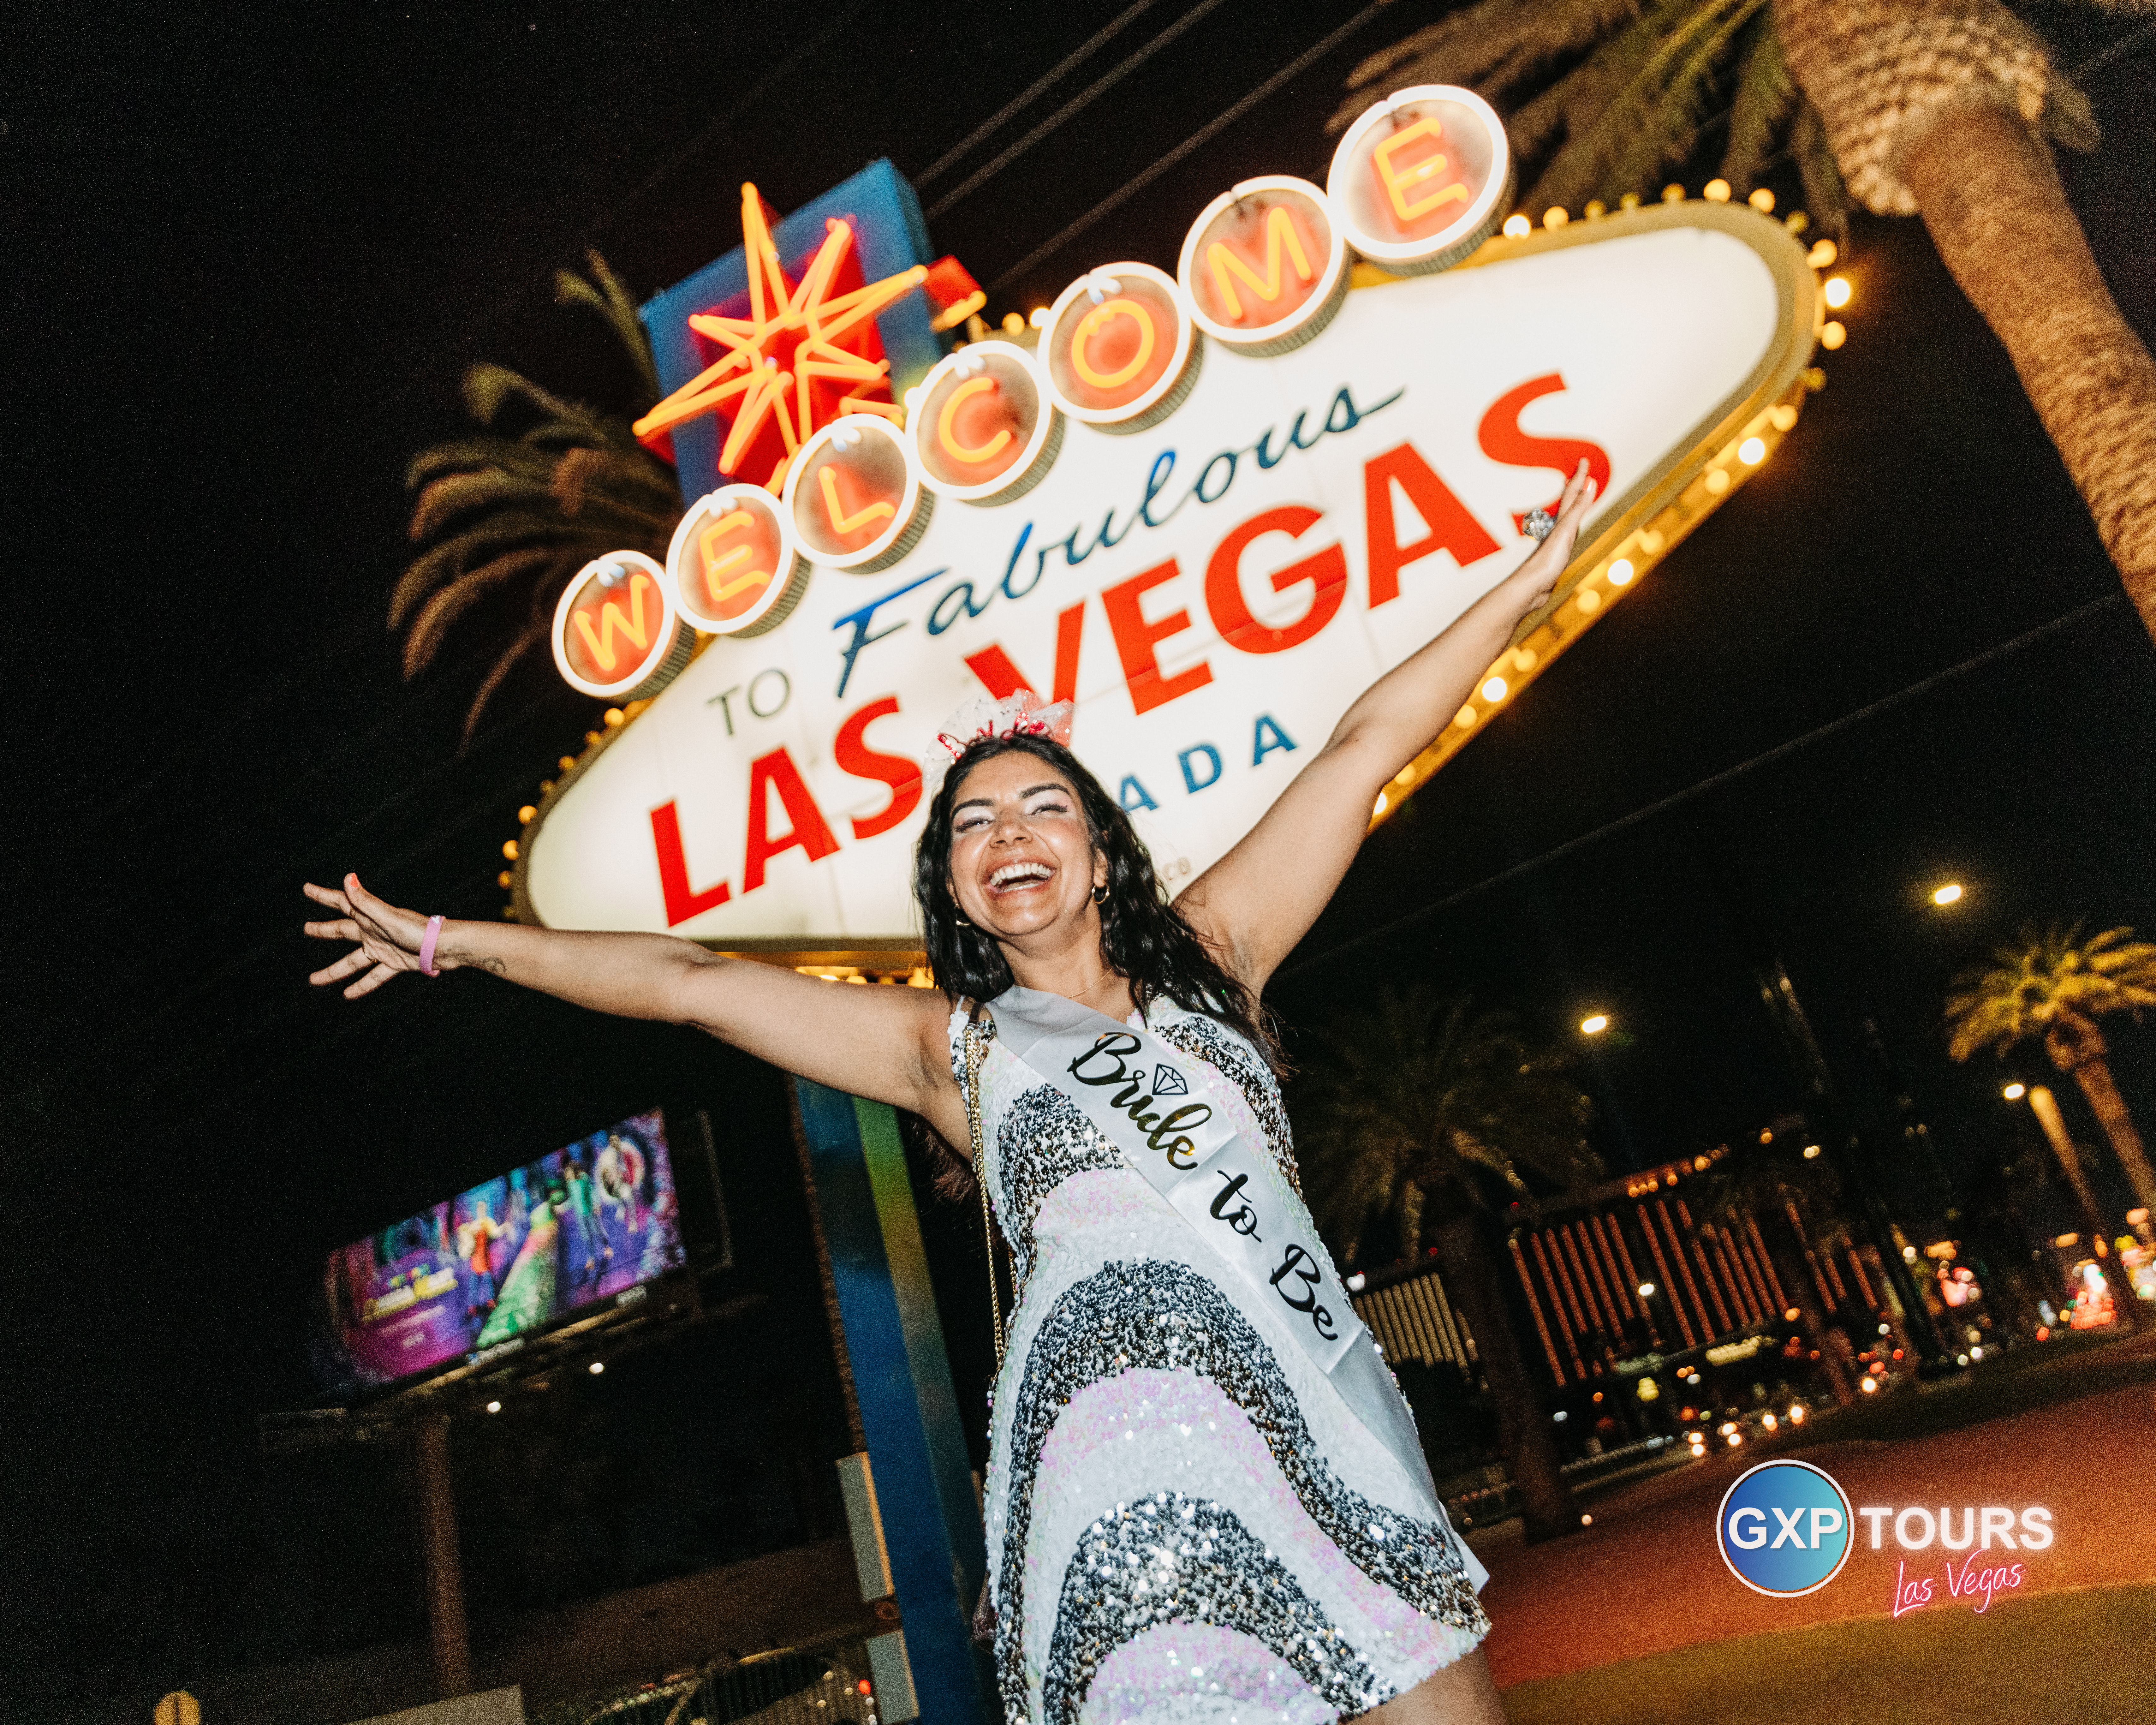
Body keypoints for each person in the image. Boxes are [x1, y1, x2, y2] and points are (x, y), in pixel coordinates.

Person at [306, 463, 1598, 1725]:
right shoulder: (949, 1050)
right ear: (957, 890)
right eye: (972, 826)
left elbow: (1362, 745)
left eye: (1044, 806)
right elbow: (689, 978)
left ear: (1101, 856)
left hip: (1317, 1415)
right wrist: (457, 943)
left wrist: (1520, 589)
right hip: (1120, 1479)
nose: (1009, 833)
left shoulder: (1217, 958)